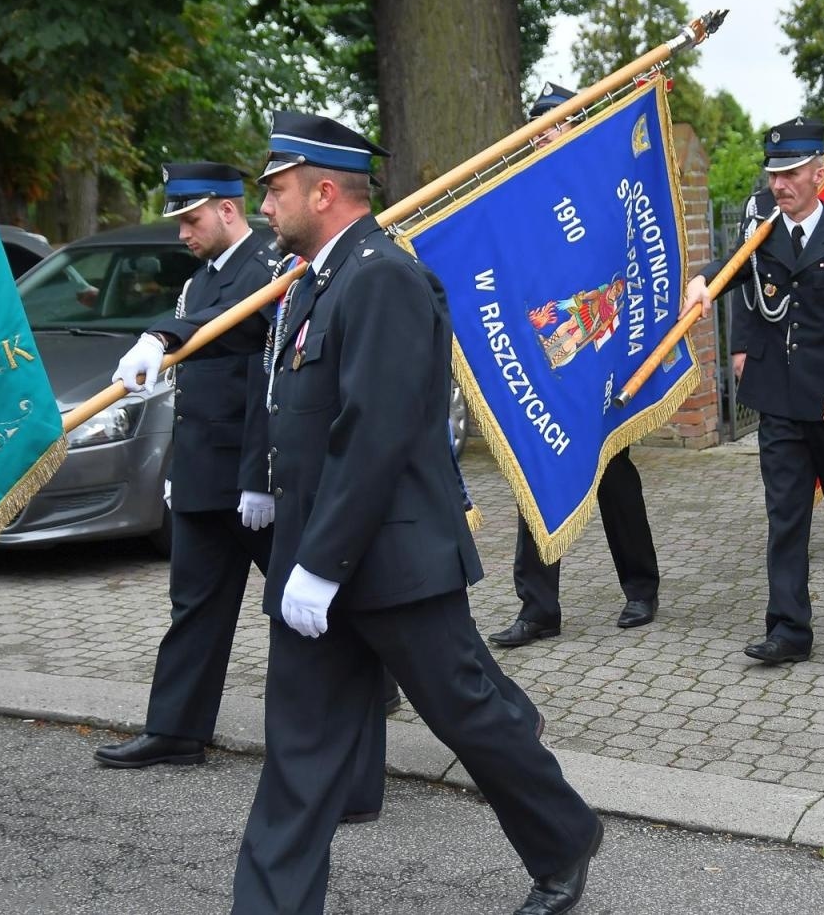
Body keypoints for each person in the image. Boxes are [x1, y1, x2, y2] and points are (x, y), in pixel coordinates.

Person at [233, 111, 602, 915]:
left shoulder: (383, 278)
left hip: (391, 564)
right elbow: (297, 414)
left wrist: (320, 564)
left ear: (323, 193)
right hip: (317, 563)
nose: (265, 205)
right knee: (297, 756)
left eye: (276, 189)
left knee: (469, 717)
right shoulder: (317, 282)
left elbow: (376, 434)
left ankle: (564, 837)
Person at [94, 166, 311, 764]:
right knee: (194, 607)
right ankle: (176, 730)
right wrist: (176, 471)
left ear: (227, 210)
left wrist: (259, 478)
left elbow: (253, 358)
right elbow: (194, 386)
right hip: (203, 476)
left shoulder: (271, 269)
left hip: (257, 480)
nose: (183, 234)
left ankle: (373, 689)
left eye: (191, 219)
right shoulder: (197, 284)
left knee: (307, 602)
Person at [681, 117, 824, 666]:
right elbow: (730, 269)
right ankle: (788, 627)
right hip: (778, 399)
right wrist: (703, 278)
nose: (780, 184)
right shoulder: (762, 235)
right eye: (774, 174)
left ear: (819, 173)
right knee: (786, 515)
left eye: (792, 173)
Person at [489, 83, 661, 649]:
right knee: (537, 469)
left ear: (576, 128)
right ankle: (538, 608)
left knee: (613, 471)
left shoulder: (599, 187)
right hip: (543, 350)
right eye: (537, 127)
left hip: (598, 347)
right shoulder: (518, 194)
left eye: (555, 124)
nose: (544, 135)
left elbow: (621, 263)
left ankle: (641, 587)